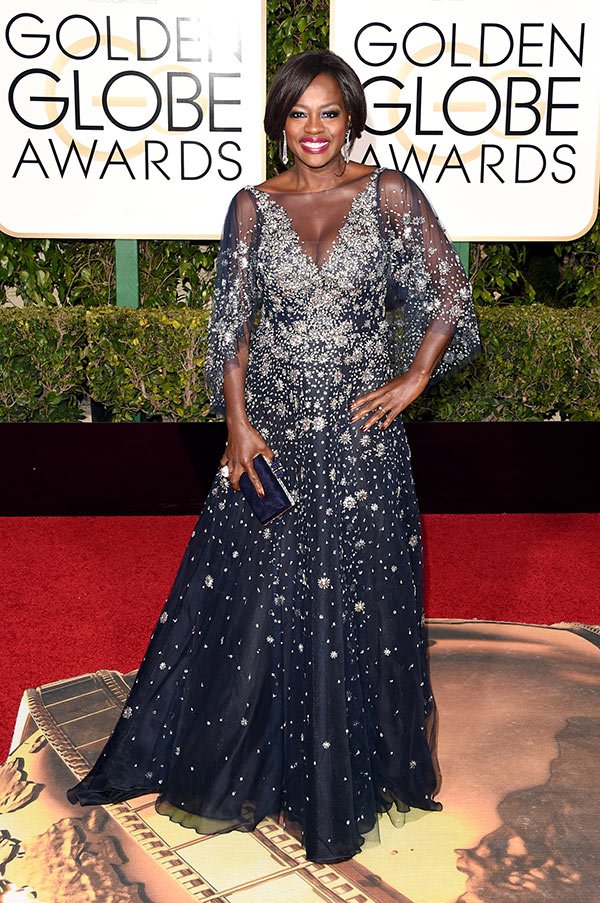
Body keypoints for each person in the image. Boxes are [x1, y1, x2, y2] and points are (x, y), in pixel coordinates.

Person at [67, 49, 482, 863]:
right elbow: (230, 327)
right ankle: (254, 762)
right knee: (254, 603)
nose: (314, 129)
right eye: (299, 113)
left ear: (350, 118)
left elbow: (451, 295)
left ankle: (346, 778)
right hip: (275, 433)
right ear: (279, 121)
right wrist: (237, 425)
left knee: (360, 600)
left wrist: (413, 379)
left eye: (329, 112)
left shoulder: (389, 194)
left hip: (363, 439)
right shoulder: (251, 207)